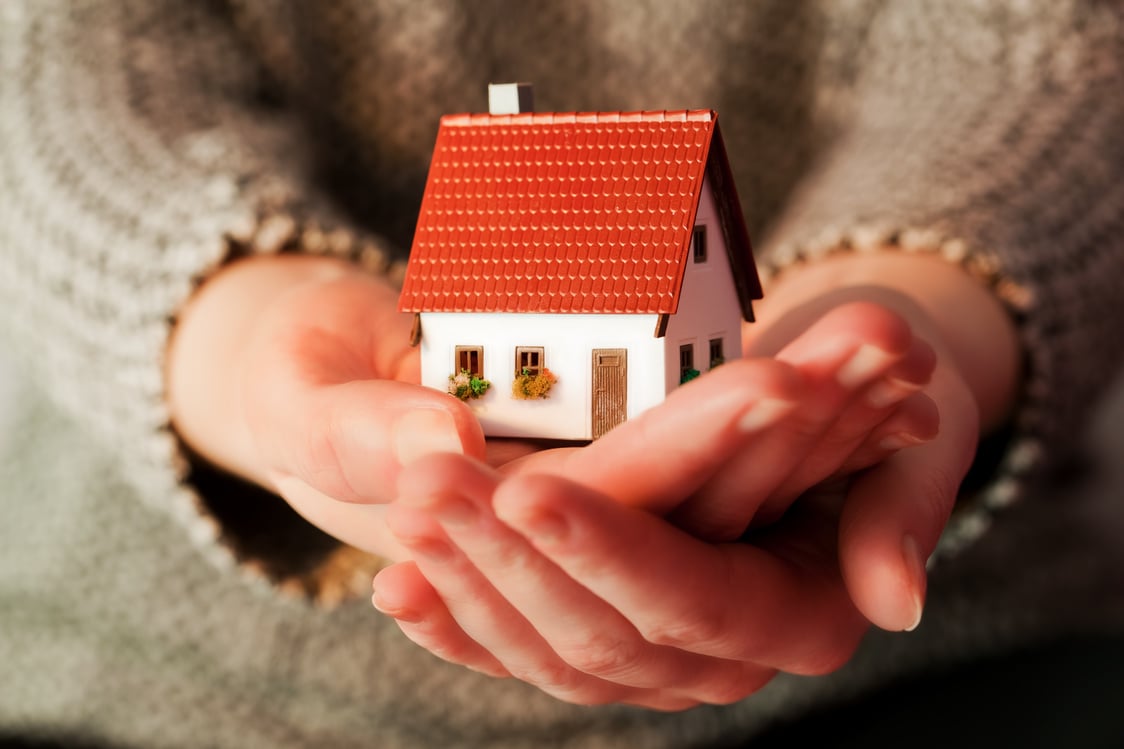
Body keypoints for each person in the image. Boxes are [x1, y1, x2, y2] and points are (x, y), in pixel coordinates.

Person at [1, 1, 1122, 747]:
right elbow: (58, 80)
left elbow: (1035, 62)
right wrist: (245, 341)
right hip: (134, 672)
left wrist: (922, 300)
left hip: (952, 661)